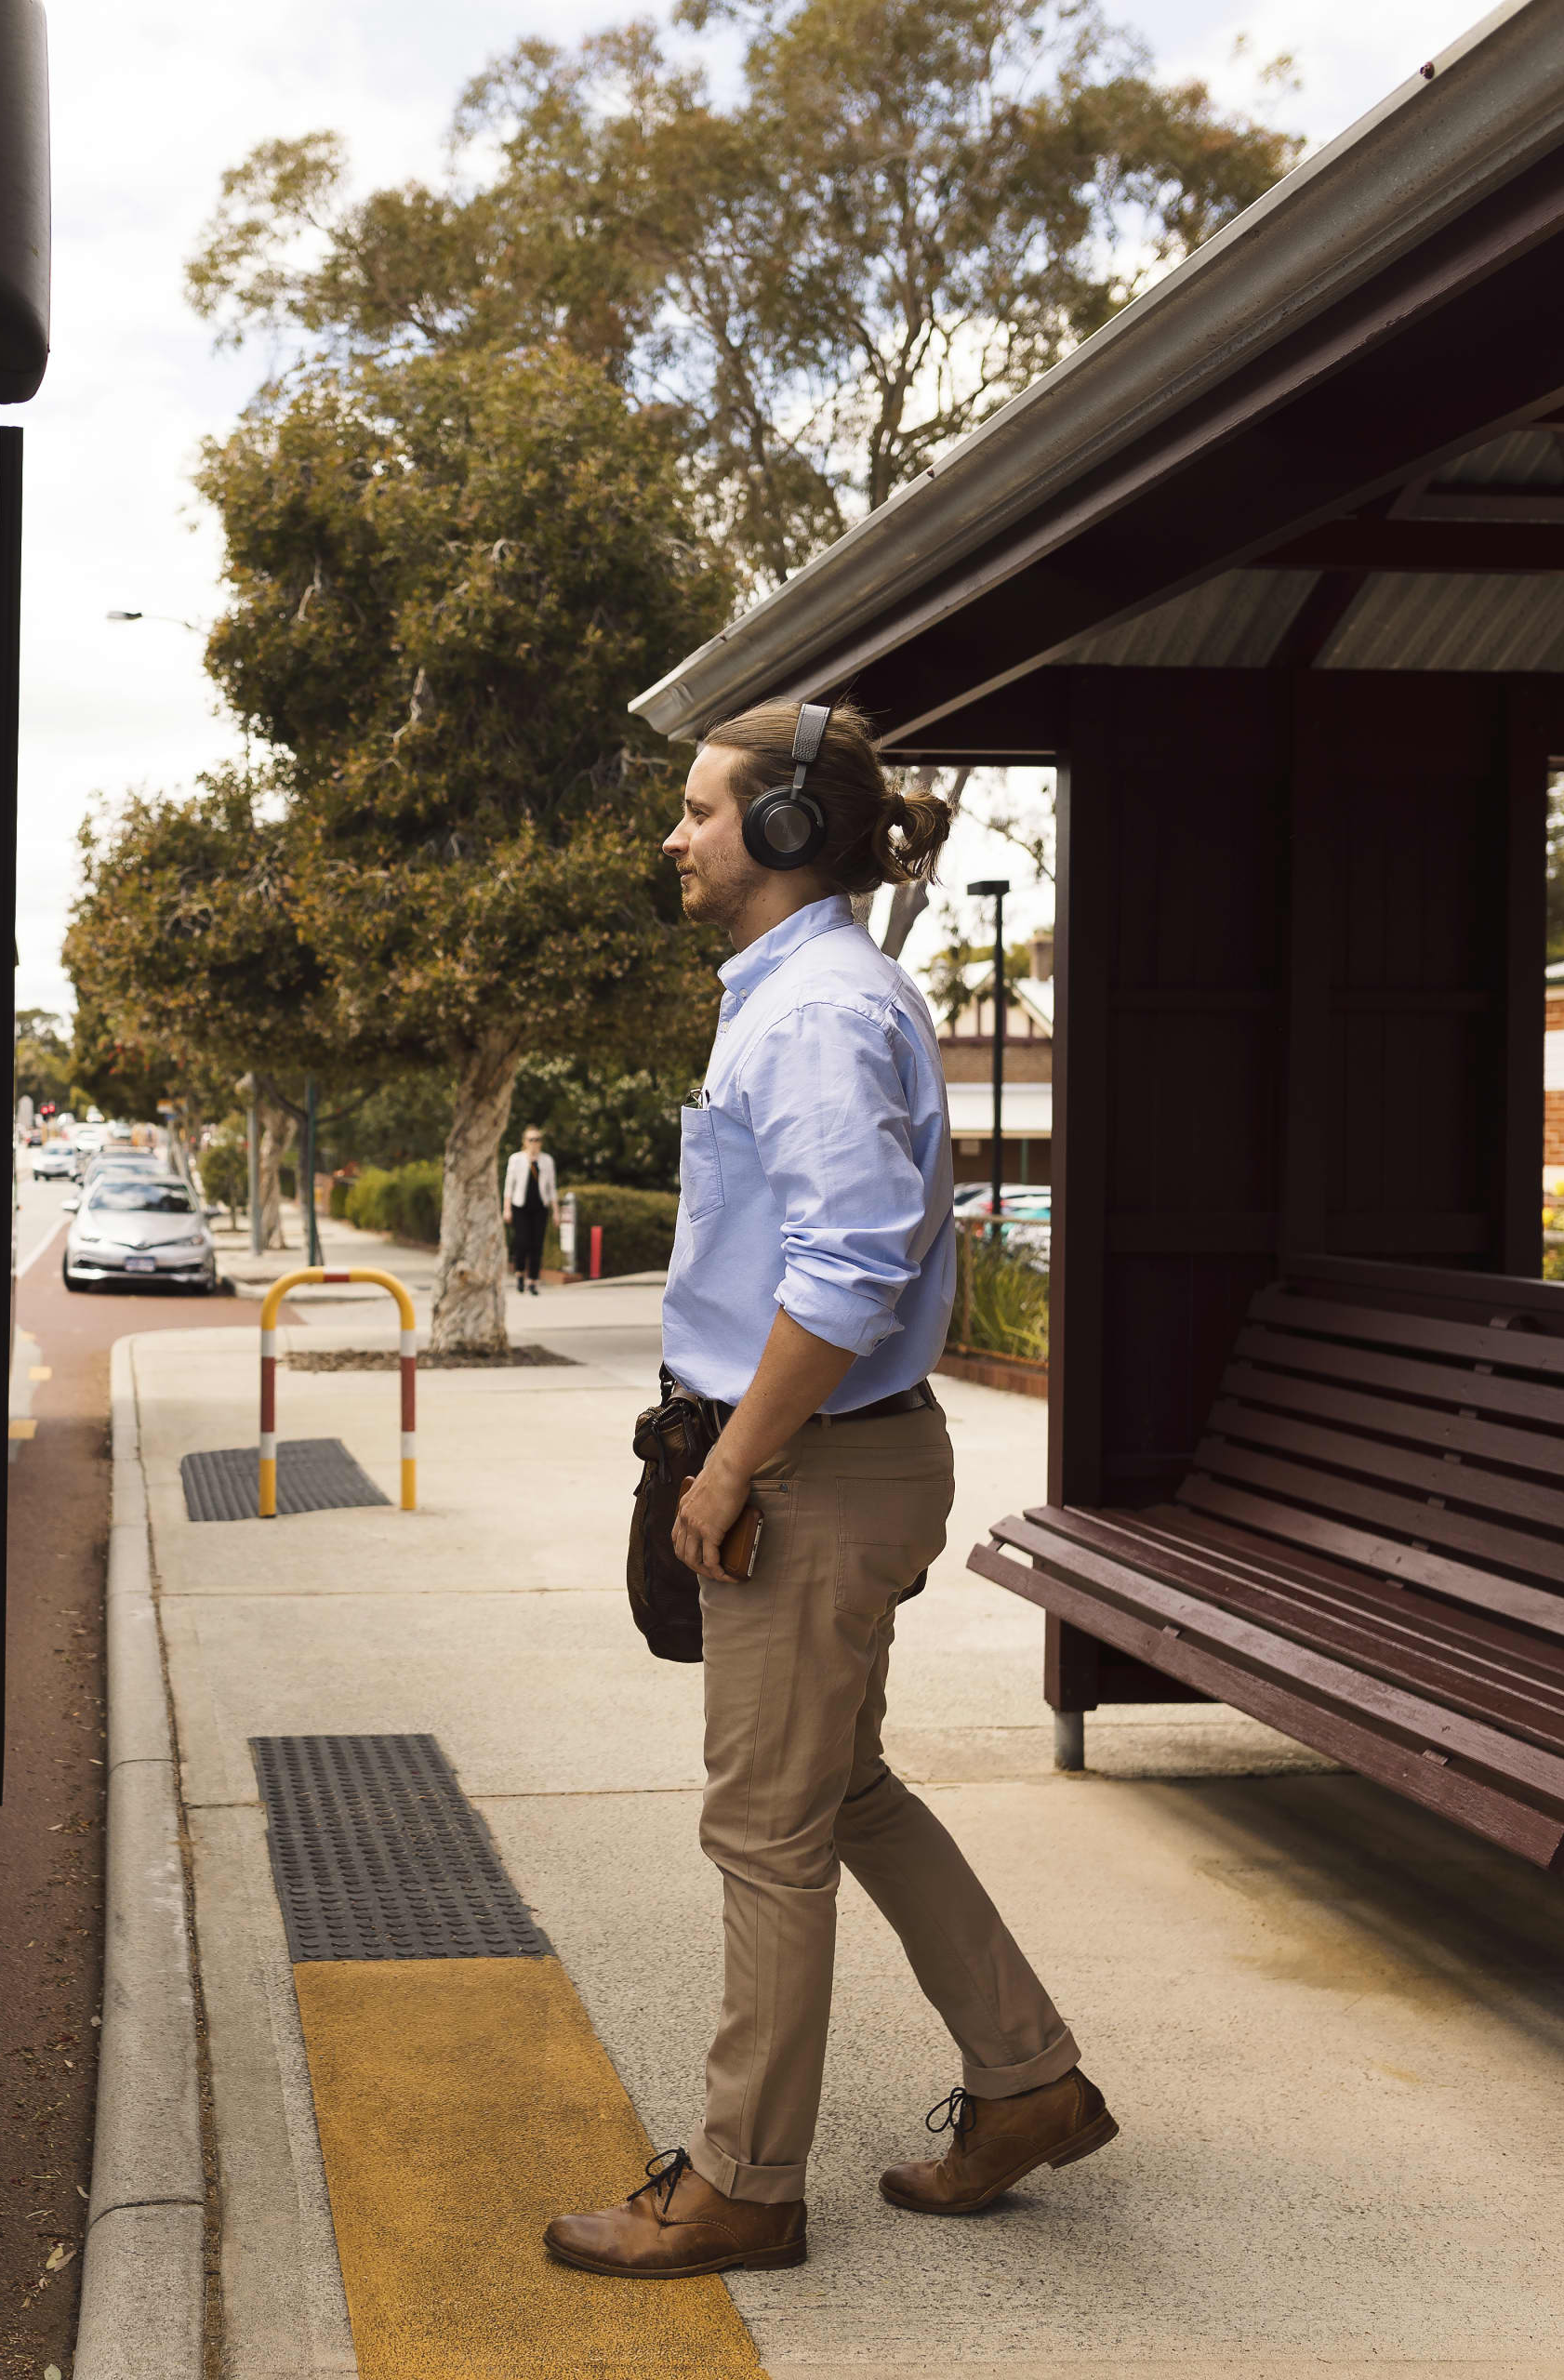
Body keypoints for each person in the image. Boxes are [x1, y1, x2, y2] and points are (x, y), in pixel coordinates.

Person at [545, 699, 1108, 2282]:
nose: (676, 835)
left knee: (766, 1829)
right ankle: (1030, 2084)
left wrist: (731, 1466)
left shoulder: (814, 1016)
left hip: (808, 1466)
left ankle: (742, 2185)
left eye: (702, 811)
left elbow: (847, 1266)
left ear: (784, 833)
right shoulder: (796, 998)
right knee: (840, 1793)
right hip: (828, 1455)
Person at [501, 1125, 560, 1295]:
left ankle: (533, 1281)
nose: (534, 1143)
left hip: (540, 1206)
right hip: (520, 1206)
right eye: (531, 1139)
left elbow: (552, 1188)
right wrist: (507, 1209)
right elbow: (509, 1186)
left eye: (537, 1139)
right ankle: (519, 1273)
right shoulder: (516, 1159)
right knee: (522, 1242)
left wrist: (556, 1211)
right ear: (524, 1142)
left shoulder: (547, 1161)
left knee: (537, 1244)